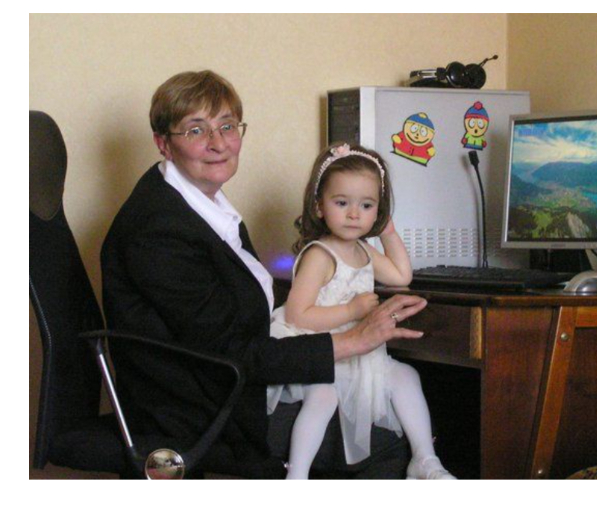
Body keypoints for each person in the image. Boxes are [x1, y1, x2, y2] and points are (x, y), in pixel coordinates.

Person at [101, 70, 428, 479]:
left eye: (227, 126)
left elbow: (239, 307)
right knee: (386, 436)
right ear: (163, 143)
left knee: (389, 390)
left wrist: (327, 295)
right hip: (201, 410)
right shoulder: (158, 229)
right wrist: (352, 339)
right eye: (196, 130)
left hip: (226, 386)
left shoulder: (203, 208)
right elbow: (229, 352)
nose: (218, 143)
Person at [266, 143, 455, 480]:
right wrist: (351, 309)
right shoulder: (320, 255)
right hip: (316, 348)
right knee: (323, 396)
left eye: (367, 206)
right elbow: (297, 315)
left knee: (406, 376)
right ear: (319, 206)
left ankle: (425, 460)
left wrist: (389, 232)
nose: (354, 214)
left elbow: (401, 276)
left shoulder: (364, 250)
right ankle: (297, 476)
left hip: (357, 353)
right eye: (342, 203)